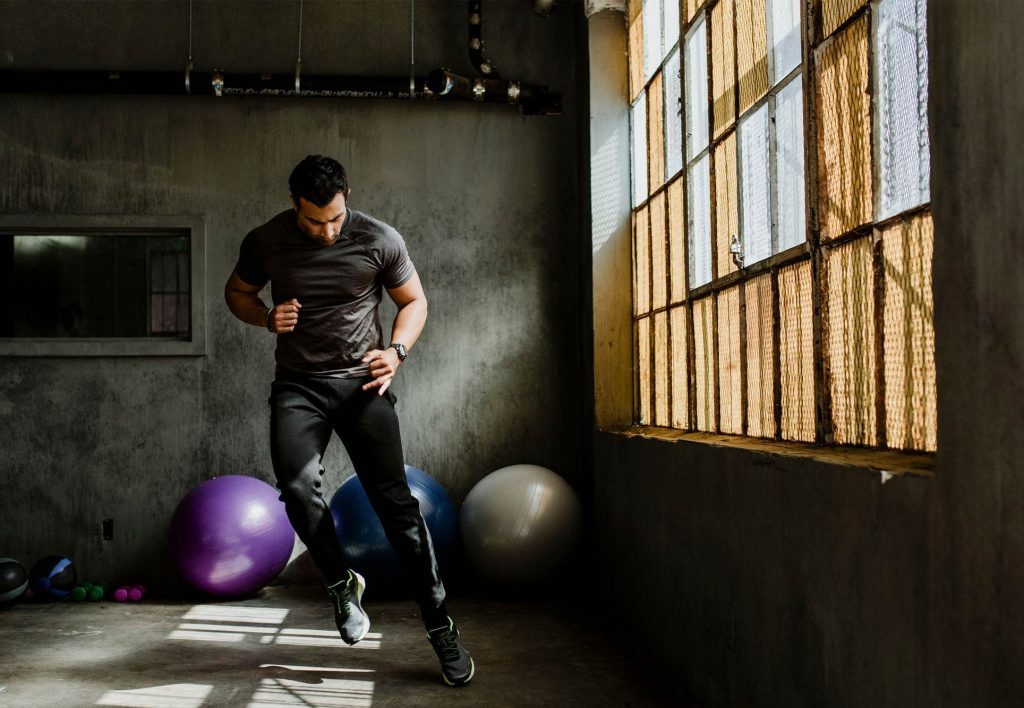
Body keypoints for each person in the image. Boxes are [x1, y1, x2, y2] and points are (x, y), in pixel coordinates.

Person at [224, 154, 474, 687]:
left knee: (398, 510)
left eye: (335, 217)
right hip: (299, 386)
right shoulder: (265, 240)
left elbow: (414, 301)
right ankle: (341, 583)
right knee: (295, 488)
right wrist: (266, 316)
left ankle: (441, 627)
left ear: (347, 197)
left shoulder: (380, 238)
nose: (327, 230)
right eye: (315, 221)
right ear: (295, 204)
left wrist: (398, 351)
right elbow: (238, 293)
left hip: (364, 385)